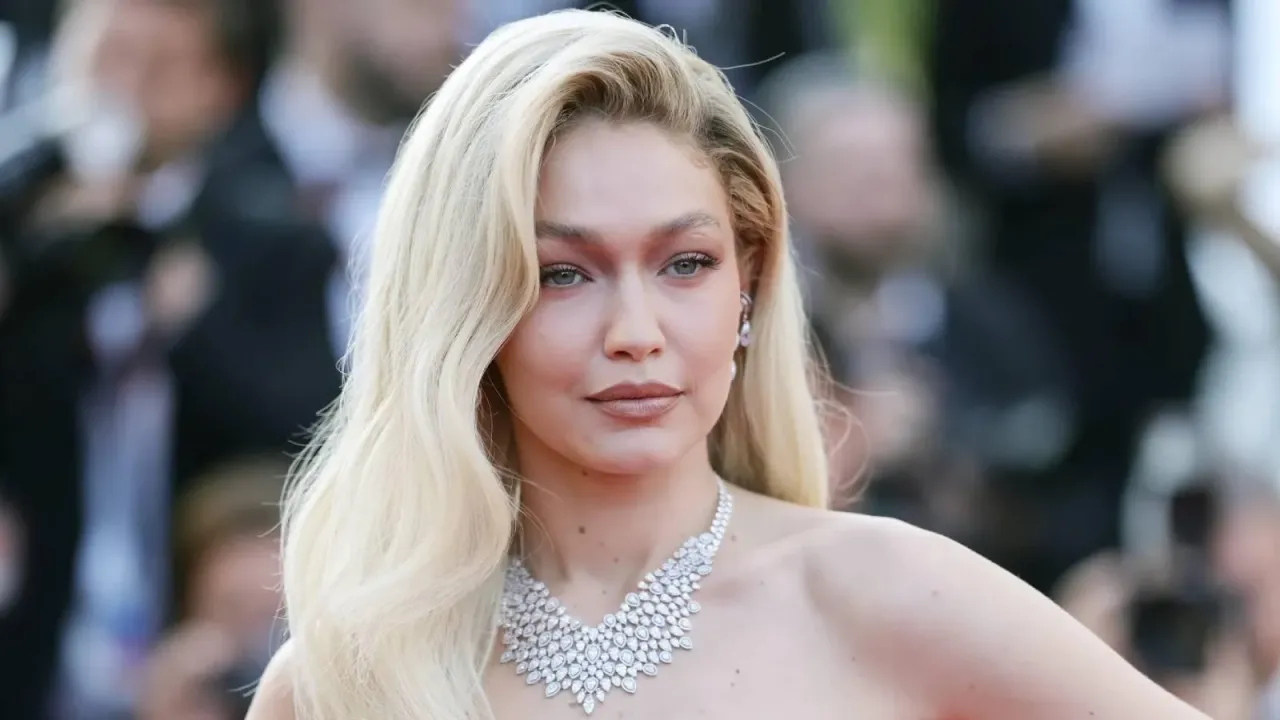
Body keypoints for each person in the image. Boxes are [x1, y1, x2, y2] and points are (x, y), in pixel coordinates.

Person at [248, 10, 1211, 719]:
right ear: (466, 304)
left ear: (749, 282)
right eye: (564, 273)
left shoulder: (887, 591)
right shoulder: (345, 680)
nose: (636, 330)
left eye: (685, 264)